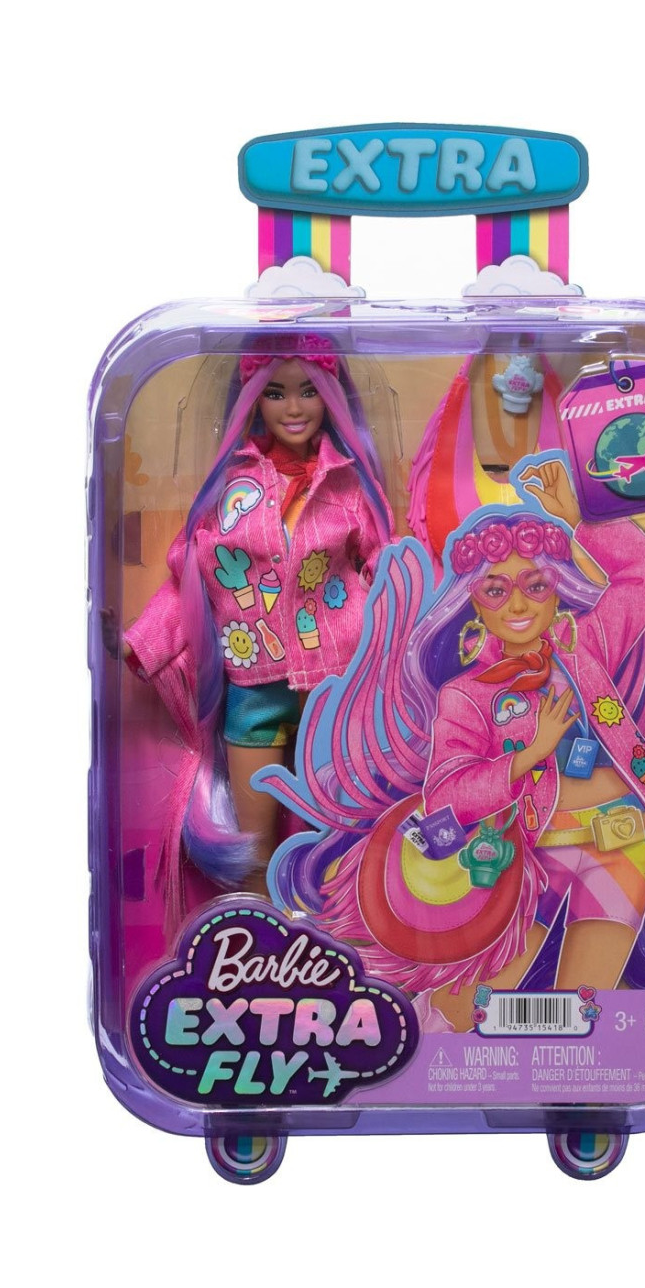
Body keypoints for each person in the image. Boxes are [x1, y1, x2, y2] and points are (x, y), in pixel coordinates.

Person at [263, 458, 645, 1029]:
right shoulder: (467, 695)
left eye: (535, 586)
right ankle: (432, 1053)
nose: (518, 606)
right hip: (523, 860)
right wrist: (529, 755)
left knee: (580, 1014)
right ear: (474, 604)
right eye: (496, 591)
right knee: (465, 1012)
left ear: (556, 591)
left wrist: (579, 520)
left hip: (624, 842)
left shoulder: (587, 648)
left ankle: (557, 1077)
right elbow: (448, 793)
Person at [121, 334, 394, 937]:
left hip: (337, 684)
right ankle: (260, 938)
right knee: (254, 845)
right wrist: (146, 641)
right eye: (275, 393)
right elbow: (192, 577)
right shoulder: (231, 489)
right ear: (252, 400)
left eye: (307, 391)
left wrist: (419, 628)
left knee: (337, 831)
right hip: (255, 685)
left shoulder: (349, 484)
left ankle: (336, 935)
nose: (293, 408)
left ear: (331, 396)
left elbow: (386, 567)